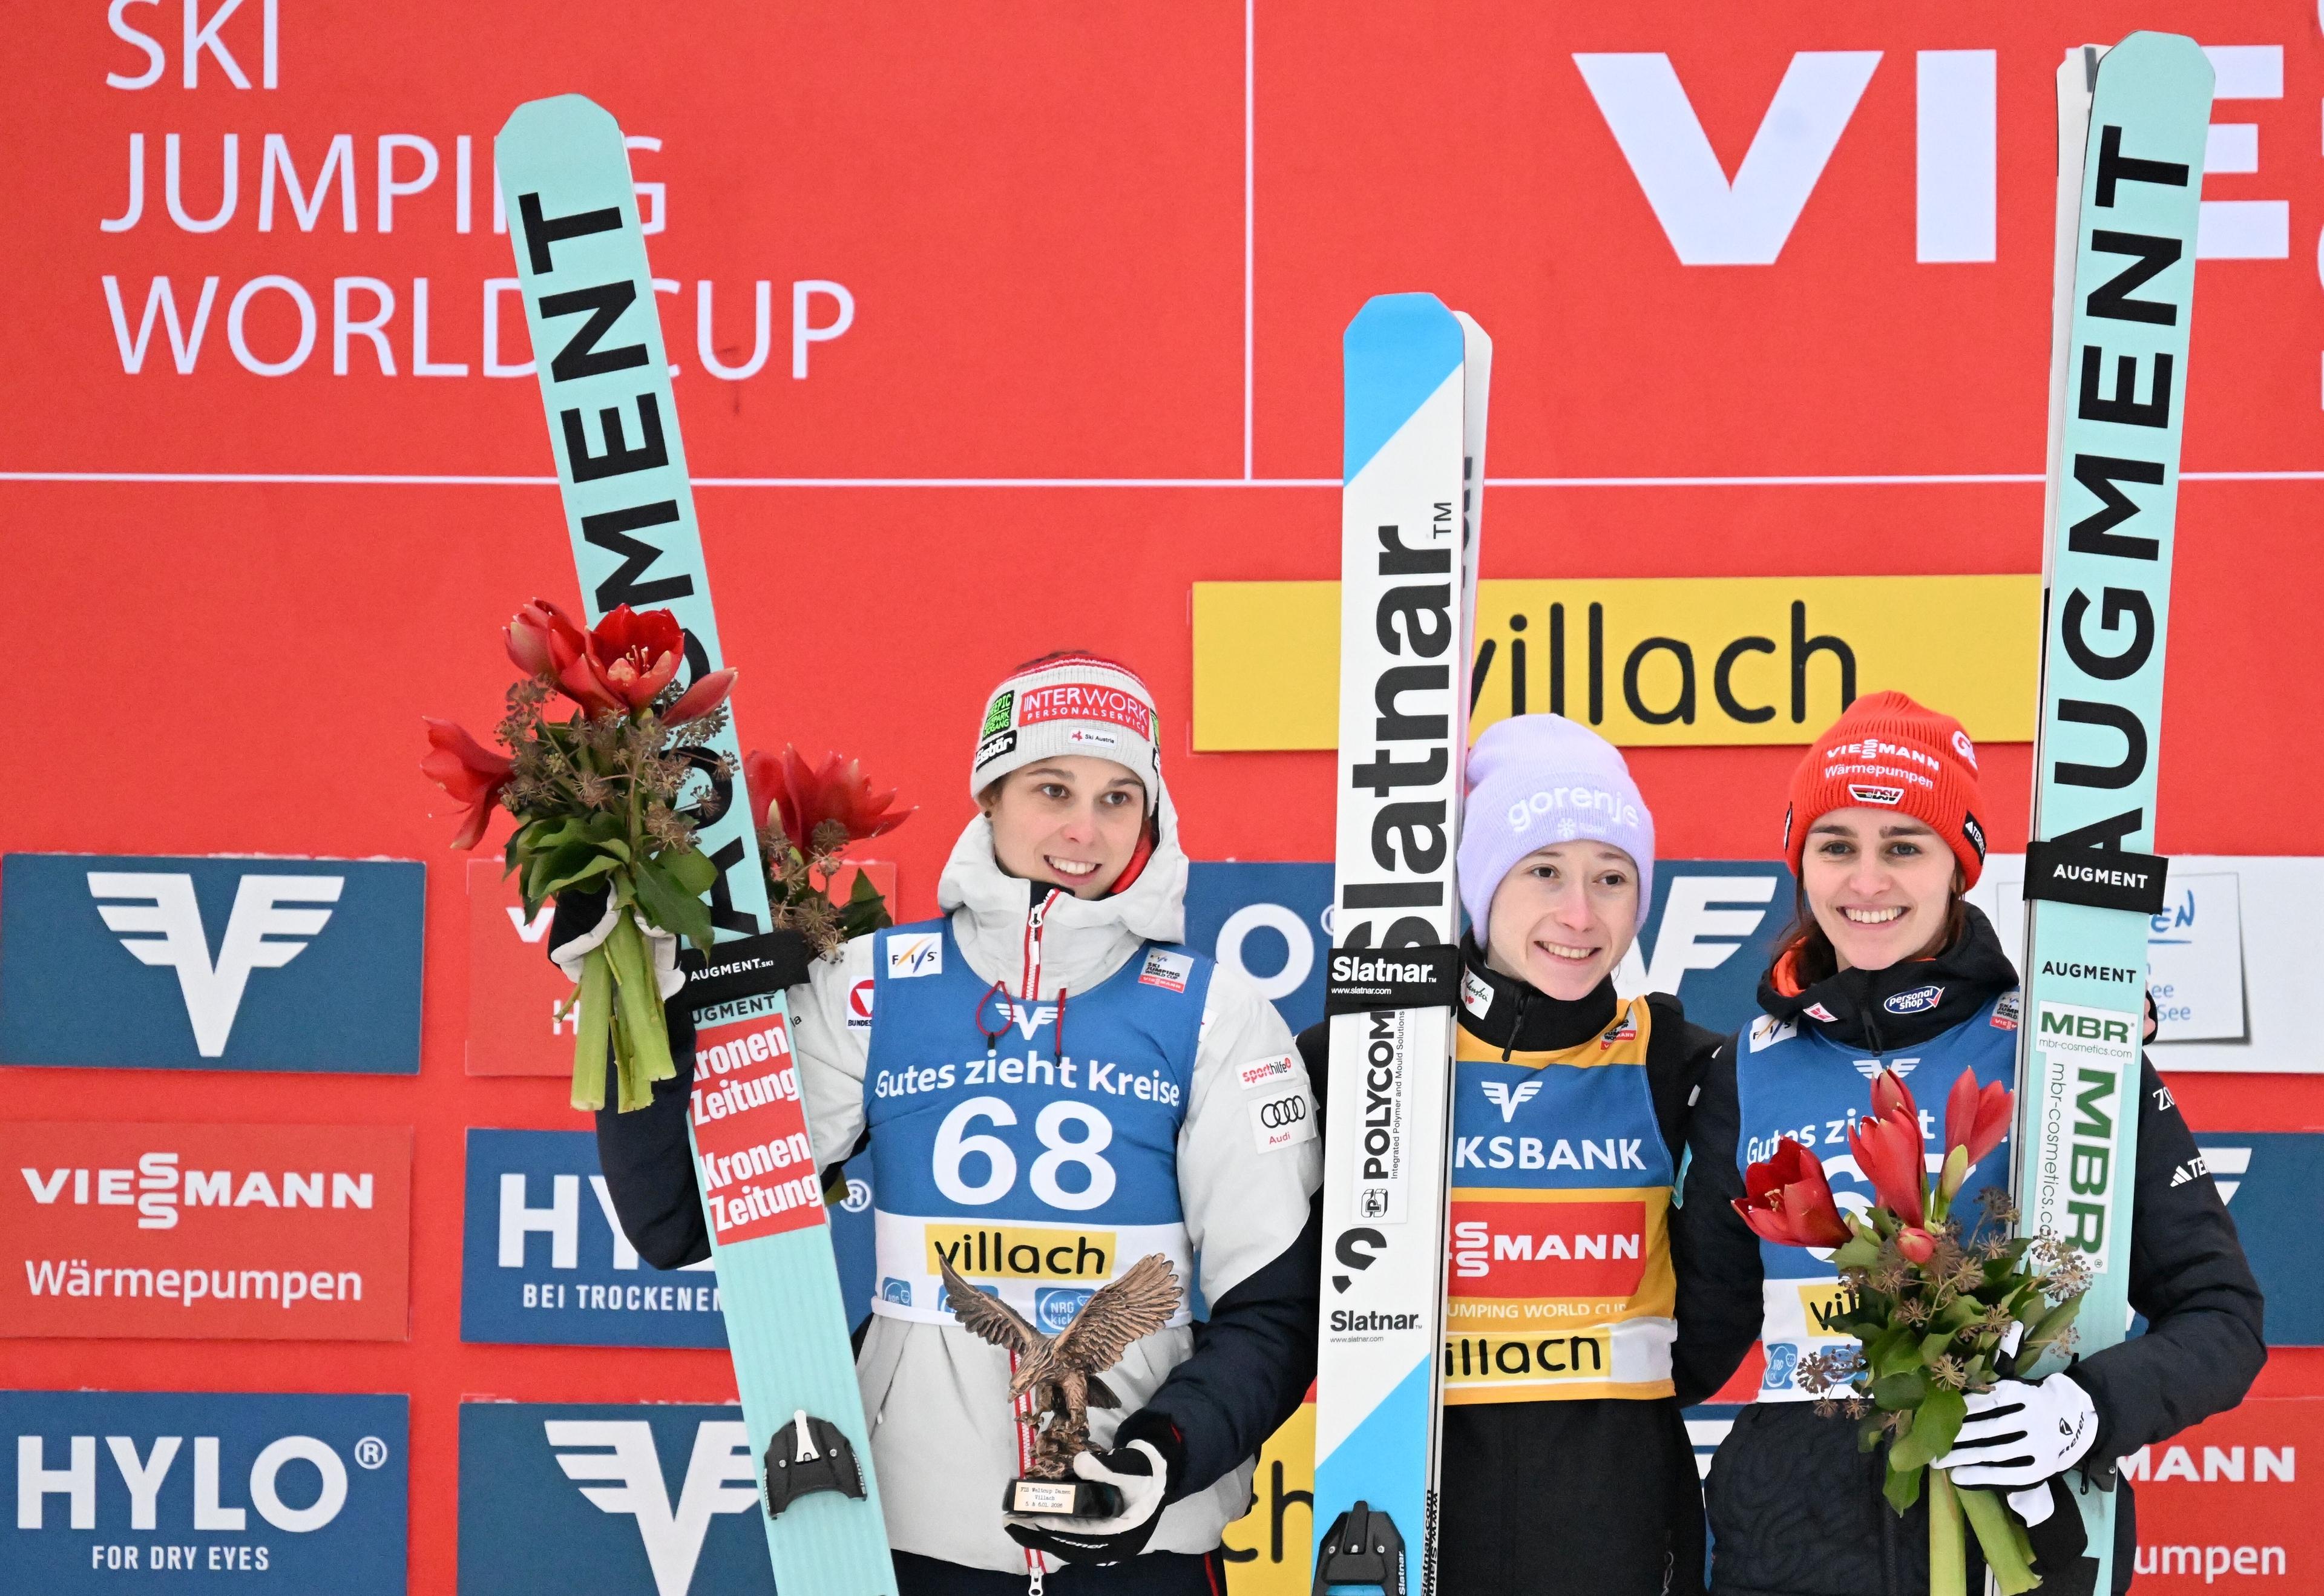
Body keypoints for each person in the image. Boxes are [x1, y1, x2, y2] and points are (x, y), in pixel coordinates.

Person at [553, 652, 1324, 1594]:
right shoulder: (875, 987)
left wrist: (1161, 1459)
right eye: (1052, 788)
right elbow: (679, 1218)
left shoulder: (1215, 1013)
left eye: (1120, 798)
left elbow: (1274, 1312)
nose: (1085, 829)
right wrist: (638, 1003)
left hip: (1137, 1542)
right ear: (989, 795)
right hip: (914, 1537)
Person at [1681, 691, 2266, 1596]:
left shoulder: (2063, 1050)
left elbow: (2223, 1315)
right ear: (1802, 863)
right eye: (1837, 846)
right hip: (1788, 1546)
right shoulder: (1748, 1069)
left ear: (1960, 865)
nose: (1866, 882)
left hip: (2023, 1536)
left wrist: (2085, 1411)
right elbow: (1690, 1340)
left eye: (1904, 847)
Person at [1294, 715, 1747, 1595]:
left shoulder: (1678, 1059)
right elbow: (1281, 1303)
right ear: (1480, 880)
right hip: (1407, 1515)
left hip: (1618, 1525)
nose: (1579, 914)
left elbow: (1723, 1300)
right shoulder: (1362, 1057)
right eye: (1544, 871)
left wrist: (1622, 1411)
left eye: (1611, 878)